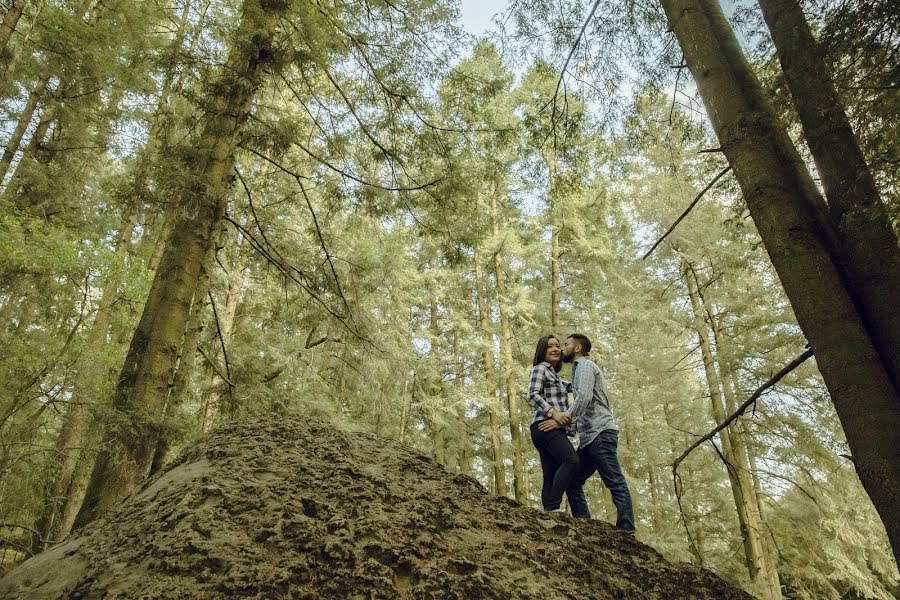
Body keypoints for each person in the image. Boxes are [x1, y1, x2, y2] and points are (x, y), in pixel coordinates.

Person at [539, 333, 635, 534]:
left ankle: (627, 531)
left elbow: (583, 397)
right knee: (573, 480)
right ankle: (584, 525)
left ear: (577, 349)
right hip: (589, 439)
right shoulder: (579, 371)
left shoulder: (584, 366)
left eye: (565, 345)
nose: (561, 348)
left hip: (601, 434)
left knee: (614, 481)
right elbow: (572, 391)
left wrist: (562, 419)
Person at [526, 334, 589, 517]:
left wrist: (583, 363)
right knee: (571, 460)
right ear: (542, 352)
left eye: (557, 346)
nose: (555, 349)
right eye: (549, 346)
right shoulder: (540, 369)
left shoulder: (554, 375)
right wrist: (553, 413)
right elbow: (532, 395)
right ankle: (553, 507)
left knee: (550, 474)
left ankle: (548, 514)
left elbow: (575, 387)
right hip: (544, 425)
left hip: (548, 428)